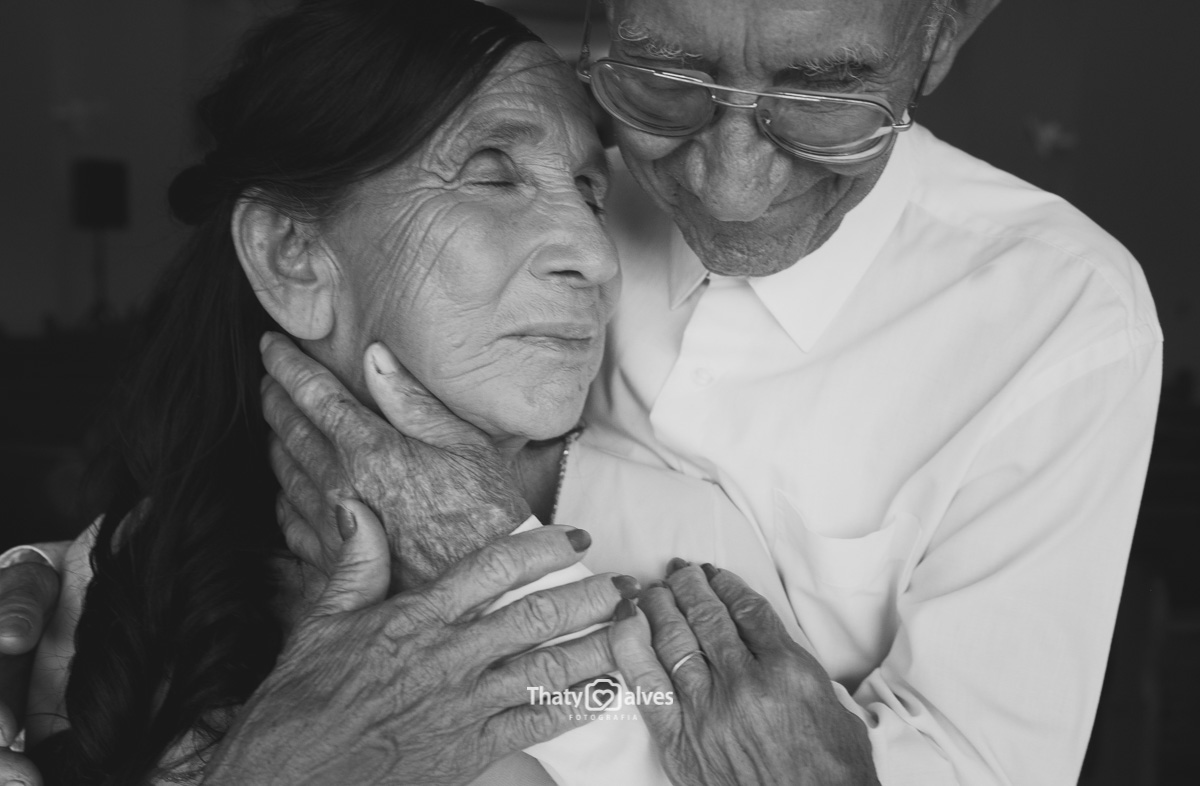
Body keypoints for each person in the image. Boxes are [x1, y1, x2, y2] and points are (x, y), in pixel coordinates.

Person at [2, 0, 1164, 783]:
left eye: (589, 191)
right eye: (497, 175)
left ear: (941, 38)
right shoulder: (102, 582)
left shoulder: (693, 539)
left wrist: (482, 584)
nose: (610, 250)